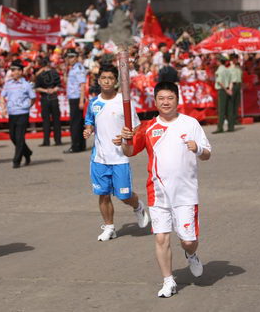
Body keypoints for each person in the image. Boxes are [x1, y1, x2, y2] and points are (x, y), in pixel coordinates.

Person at [119, 81, 211, 298]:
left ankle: (191, 254)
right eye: (161, 98)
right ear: (155, 101)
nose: (165, 102)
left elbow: (207, 154)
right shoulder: (148, 127)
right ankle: (168, 281)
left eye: (170, 98)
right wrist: (125, 138)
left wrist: (198, 149)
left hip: (186, 192)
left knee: (188, 240)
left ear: (177, 99)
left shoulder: (190, 124)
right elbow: (129, 151)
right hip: (157, 191)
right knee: (161, 238)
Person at [83, 64, 149, 241]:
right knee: (103, 194)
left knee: (124, 195)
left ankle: (138, 206)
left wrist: (125, 136)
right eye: (103, 78)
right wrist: (88, 129)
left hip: (119, 157)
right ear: (99, 80)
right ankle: (110, 227)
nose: (106, 81)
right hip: (99, 158)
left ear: (116, 81)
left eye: (110, 78)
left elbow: (136, 127)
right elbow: (89, 121)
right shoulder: (94, 103)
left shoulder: (124, 102)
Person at [0, 60, 36, 168]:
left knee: (20, 137)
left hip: (23, 113)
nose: (13, 72)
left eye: (16, 70)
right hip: (12, 113)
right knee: (13, 137)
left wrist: (28, 106)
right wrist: (3, 107)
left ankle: (16, 160)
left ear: (20, 71)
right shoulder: (8, 84)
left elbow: (33, 98)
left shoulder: (26, 84)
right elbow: (2, 96)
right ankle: (27, 152)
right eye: (12, 70)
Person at [35, 58, 62, 147]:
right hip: (54, 97)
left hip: (45, 97)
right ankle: (58, 140)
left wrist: (46, 90)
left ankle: (46, 141)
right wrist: (53, 90)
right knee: (56, 120)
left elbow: (36, 88)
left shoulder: (39, 75)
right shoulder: (55, 73)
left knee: (46, 120)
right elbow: (59, 85)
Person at [64, 50, 86, 154]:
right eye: (68, 57)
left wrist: (81, 100)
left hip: (77, 98)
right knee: (79, 122)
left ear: (76, 57)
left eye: (72, 57)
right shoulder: (72, 68)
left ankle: (75, 146)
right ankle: (81, 145)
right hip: (74, 97)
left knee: (75, 123)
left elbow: (82, 85)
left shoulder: (78, 68)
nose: (70, 59)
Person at [212, 57, 232, 133]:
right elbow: (230, 80)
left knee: (221, 110)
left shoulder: (219, 70)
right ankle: (230, 126)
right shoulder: (227, 70)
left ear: (220, 62)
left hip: (222, 90)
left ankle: (220, 127)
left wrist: (226, 90)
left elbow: (220, 81)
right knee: (228, 109)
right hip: (227, 89)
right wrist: (229, 89)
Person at [228, 54, 243, 127]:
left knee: (236, 103)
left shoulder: (238, 68)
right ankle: (232, 120)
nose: (235, 60)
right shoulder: (229, 68)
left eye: (236, 59)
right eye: (233, 59)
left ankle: (235, 119)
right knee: (232, 103)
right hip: (232, 85)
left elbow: (241, 76)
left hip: (238, 85)